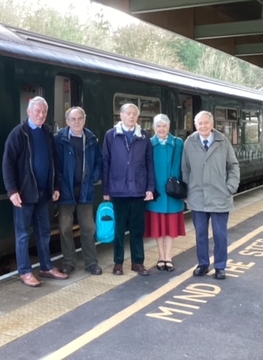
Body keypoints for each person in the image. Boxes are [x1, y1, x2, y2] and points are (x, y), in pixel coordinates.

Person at [2, 96, 68, 287]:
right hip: (23, 193)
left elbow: (54, 162)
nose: (41, 115)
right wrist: (12, 191)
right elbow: (7, 164)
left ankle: (46, 267)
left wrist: (55, 186)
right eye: (37, 111)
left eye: (44, 112)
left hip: (44, 192)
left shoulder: (47, 133)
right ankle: (25, 271)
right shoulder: (18, 134)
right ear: (29, 112)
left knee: (44, 232)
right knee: (22, 234)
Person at [182, 110, 240, 280]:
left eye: (206, 122)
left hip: (219, 196)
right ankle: (203, 264)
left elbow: (233, 166)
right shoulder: (189, 142)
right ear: (195, 125)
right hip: (197, 196)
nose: (203, 126)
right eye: (200, 123)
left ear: (212, 124)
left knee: (220, 234)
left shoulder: (223, 141)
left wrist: (230, 187)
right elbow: (185, 168)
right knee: (200, 234)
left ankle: (220, 266)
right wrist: (188, 188)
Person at [102, 103, 155, 276]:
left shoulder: (144, 136)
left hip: (139, 190)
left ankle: (138, 262)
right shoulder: (111, 135)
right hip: (118, 190)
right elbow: (106, 163)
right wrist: (106, 189)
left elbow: (149, 163)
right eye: (128, 113)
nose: (131, 116)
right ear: (121, 116)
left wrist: (150, 188)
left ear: (137, 117)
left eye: (134, 114)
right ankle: (118, 263)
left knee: (137, 229)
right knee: (118, 229)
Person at [55, 106, 103, 275]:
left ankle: (91, 263)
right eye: (73, 119)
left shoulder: (91, 139)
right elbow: (55, 164)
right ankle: (69, 262)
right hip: (65, 190)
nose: (76, 122)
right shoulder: (58, 139)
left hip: (85, 190)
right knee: (65, 228)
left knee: (88, 228)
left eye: (79, 118)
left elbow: (99, 161)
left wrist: (93, 177)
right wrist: (58, 183)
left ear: (85, 119)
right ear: (67, 121)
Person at [145, 114, 186, 272]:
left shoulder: (178, 143)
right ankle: (160, 256)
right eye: (158, 126)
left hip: (173, 192)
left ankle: (168, 257)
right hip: (156, 193)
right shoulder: (148, 144)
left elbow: (184, 166)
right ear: (154, 128)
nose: (161, 129)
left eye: (164, 126)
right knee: (158, 228)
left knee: (170, 228)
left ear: (169, 127)